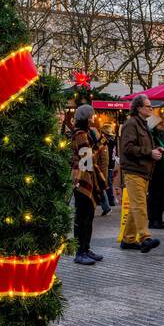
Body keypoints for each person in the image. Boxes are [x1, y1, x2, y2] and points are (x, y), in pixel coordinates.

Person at [118, 95, 162, 252]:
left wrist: (156, 150)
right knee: (140, 206)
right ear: (138, 108)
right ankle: (145, 237)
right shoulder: (131, 124)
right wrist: (150, 153)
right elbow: (128, 148)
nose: (151, 108)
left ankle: (128, 239)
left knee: (135, 206)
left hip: (142, 172)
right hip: (134, 171)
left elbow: (140, 146)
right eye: (148, 106)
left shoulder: (142, 124)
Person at [71, 105, 105, 265]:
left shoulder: (86, 133)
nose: (93, 119)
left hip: (87, 176)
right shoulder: (80, 134)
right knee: (83, 216)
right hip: (82, 178)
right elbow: (86, 159)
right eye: (91, 116)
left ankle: (86, 248)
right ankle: (80, 251)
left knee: (89, 216)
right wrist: (100, 145)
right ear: (85, 117)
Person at [146, 111, 164, 229]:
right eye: (160, 124)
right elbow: (150, 150)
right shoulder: (151, 136)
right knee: (155, 195)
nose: (162, 126)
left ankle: (159, 219)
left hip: (163, 168)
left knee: (161, 196)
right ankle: (153, 219)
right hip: (156, 169)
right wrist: (157, 149)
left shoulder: (159, 136)